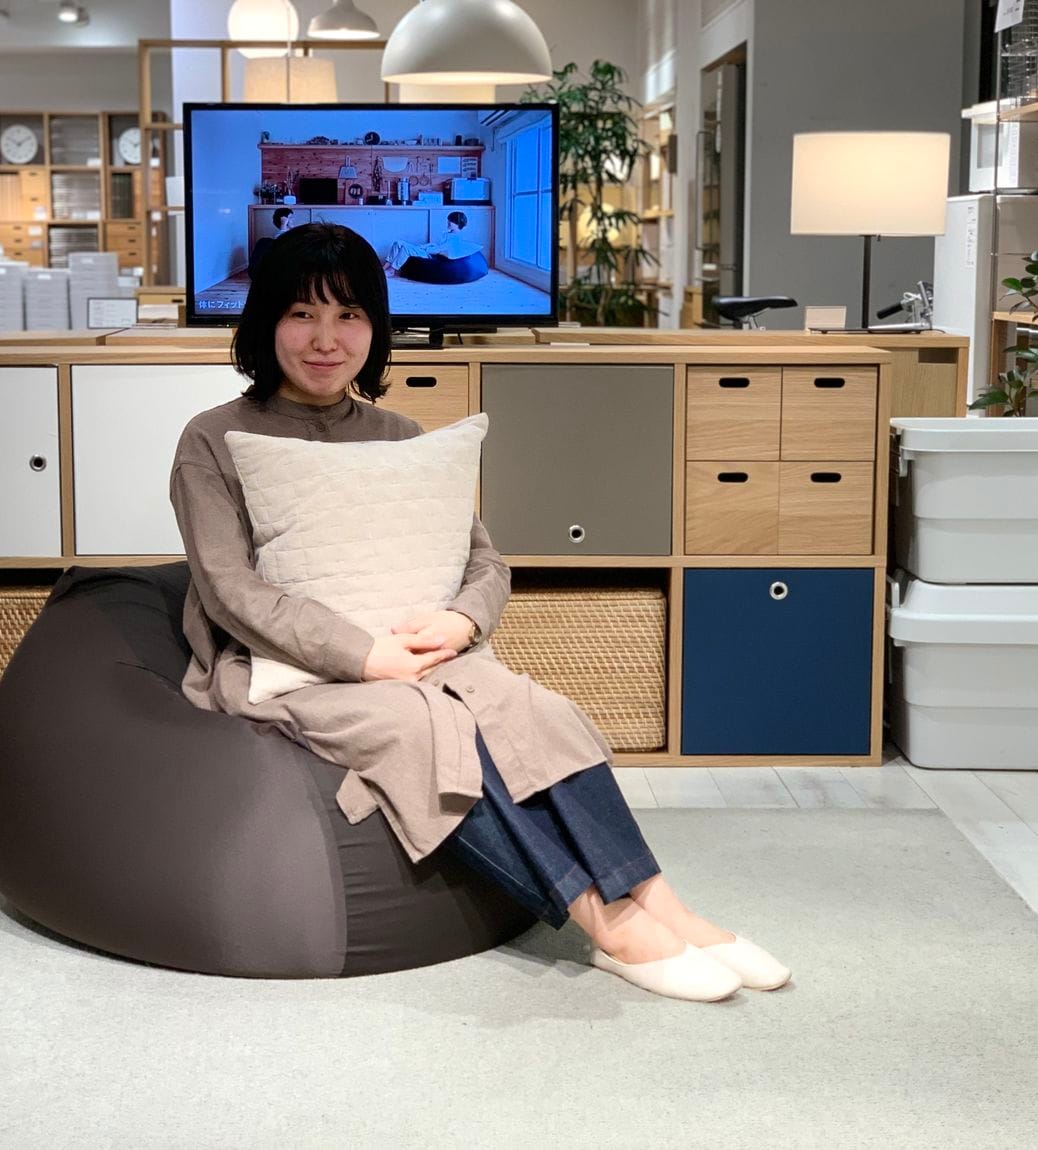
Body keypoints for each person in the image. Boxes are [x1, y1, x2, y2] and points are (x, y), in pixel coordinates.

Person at [169, 222, 791, 1003]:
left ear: (376, 326)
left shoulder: (398, 435)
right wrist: (362, 655)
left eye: (349, 314)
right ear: (266, 320)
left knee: (530, 710)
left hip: (419, 650)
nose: (326, 339)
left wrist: (461, 623)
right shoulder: (213, 439)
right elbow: (229, 588)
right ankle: (606, 926)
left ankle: (665, 905)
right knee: (425, 730)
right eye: (302, 314)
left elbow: (485, 562)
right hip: (286, 669)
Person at [382, 210, 480, 277]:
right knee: (398, 243)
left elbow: (440, 250)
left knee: (405, 249)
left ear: (458, 224)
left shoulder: (455, 239)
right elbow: (438, 245)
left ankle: (392, 270)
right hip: (428, 250)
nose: (449, 222)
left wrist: (425, 248)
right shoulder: (448, 234)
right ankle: (385, 266)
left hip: (430, 255)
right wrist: (426, 245)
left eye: (452, 221)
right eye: (449, 220)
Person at [248, 207, 297, 274]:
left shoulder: (293, 232)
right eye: (291, 218)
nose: (293, 220)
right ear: (284, 220)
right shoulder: (280, 235)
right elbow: (280, 242)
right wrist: (283, 225)